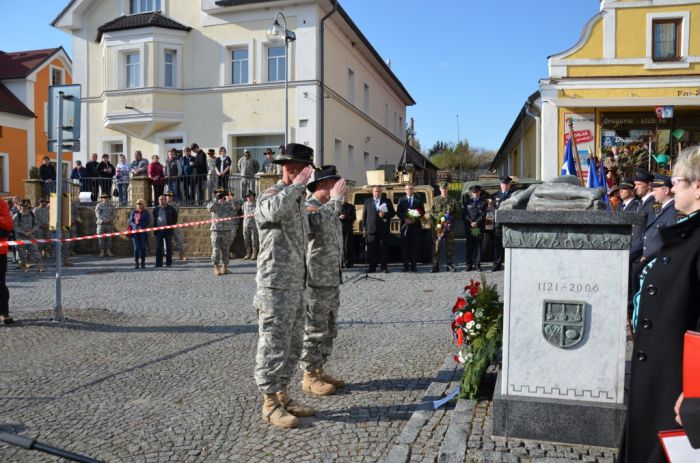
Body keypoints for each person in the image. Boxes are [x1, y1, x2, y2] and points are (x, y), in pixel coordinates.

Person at [617, 146, 700, 463]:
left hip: (677, 386)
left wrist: (696, 392)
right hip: (657, 377)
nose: (672, 186)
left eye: (678, 180)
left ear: (698, 186)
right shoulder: (686, 231)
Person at [254, 143, 315, 429]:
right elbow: (271, 213)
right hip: (274, 285)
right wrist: (294, 188)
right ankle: (269, 403)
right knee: (273, 344)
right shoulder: (273, 194)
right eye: (288, 167)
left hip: (296, 284)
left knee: (293, 345)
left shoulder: (300, 201)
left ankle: (283, 396)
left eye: (298, 167)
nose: (291, 171)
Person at [300, 166, 347, 396]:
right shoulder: (310, 206)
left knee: (329, 328)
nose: (338, 189)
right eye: (333, 184)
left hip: (330, 279)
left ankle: (319, 370)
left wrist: (335, 203)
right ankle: (309, 376)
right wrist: (335, 202)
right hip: (316, 281)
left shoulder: (329, 208)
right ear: (322, 186)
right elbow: (314, 225)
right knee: (314, 329)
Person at [640, 174, 677, 263]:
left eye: (655, 190)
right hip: (650, 260)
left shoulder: (673, 212)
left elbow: (670, 243)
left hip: (659, 261)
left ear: (666, 191)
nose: (653, 193)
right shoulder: (661, 209)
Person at [361, 185, 395, 273]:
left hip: (383, 229)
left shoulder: (387, 201)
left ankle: (384, 267)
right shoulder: (367, 201)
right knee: (372, 249)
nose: (377, 193)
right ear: (372, 192)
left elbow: (392, 213)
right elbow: (364, 215)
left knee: (383, 249)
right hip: (371, 229)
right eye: (376, 191)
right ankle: (372, 267)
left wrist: (385, 215)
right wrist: (364, 227)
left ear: (381, 192)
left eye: (379, 191)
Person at [430, 181, 460, 272]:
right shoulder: (435, 200)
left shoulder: (453, 200)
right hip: (439, 226)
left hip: (449, 227)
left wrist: (451, 217)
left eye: (446, 188)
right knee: (436, 247)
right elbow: (431, 212)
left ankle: (449, 265)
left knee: (449, 247)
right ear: (440, 189)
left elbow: (458, 212)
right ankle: (435, 266)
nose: (444, 190)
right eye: (443, 189)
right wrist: (439, 217)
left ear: (448, 189)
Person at [207, 188, 237, 275]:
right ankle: (216, 267)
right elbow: (209, 208)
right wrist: (216, 198)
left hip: (227, 230)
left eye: (222, 194)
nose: (221, 196)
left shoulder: (229, 204)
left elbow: (236, 208)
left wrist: (232, 199)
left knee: (226, 250)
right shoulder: (214, 204)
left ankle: (225, 267)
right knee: (216, 250)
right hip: (216, 230)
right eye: (219, 194)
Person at [396, 183, 423, 272]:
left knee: (414, 247)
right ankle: (405, 266)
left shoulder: (419, 200)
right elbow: (399, 212)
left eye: (411, 189)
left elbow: (422, 212)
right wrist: (405, 219)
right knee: (405, 247)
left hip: (415, 226)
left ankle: (414, 265)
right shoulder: (401, 199)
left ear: (413, 189)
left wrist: (415, 218)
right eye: (408, 189)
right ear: (405, 190)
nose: (409, 191)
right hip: (405, 226)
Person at [13, 199, 43, 272]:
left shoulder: (32, 214)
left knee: (36, 251)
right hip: (20, 236)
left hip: (30, 235)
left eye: (26, 206)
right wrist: (23, 232)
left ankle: (39, 266)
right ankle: (23, 266)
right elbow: (15, 227)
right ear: (20, 206)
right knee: (21, 254)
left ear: (28, 206)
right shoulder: (16, 216)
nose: (24, 207)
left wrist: (31, 231)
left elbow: (36, 225)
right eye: (23, 206)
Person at [463, 185, 487, 271]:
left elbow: (483, 214)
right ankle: (468, 264)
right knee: (469, 245)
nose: (475, 194)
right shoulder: (467, 202)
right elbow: (465, 214)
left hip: (477, 227)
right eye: (473, 193)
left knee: (477, 246)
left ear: (479, 192)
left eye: (477, 192)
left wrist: (476, 222)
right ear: (471, 193)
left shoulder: (483, 202)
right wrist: (471, 222)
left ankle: (477, 264)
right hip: (470, 226)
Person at [492, 176, 513, 272]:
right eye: (503, 184)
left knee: (510, 243)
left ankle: (510, 264)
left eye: (506, 184)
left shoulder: (513, 195)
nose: (504, 186)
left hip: (510, 224)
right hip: (499, 224)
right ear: (500, 185)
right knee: (497, 245)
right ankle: (497, 263)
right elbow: (493, 208)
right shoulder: (495, 195)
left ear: (509, 185)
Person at [153, 194, 178, 268]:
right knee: (158, 247)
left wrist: (171, 225)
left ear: (165, 200)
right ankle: (158, 263)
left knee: (169, 247)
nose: (161, 201)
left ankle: (168, 263)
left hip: (168, 230)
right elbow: (155, 218)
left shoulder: (171, 208)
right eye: (159, 199)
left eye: (162, 199)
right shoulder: (156, 209)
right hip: (159, 230)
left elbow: (175, 217)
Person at [0, 197, 13, 325]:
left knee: (0, 283)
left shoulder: (1, 204)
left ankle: (3, 313)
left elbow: (8, 225)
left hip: (0, 251)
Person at [129, 199, 150, 269]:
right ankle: (136, 262)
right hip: (135, 232)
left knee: (143, 248)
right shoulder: (134, 212)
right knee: (136, 248)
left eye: (140, 203)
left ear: (143, 205)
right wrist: (135, 226)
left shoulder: (146, 212)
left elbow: (147, 222)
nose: (139, 205)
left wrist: (141, 226)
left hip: (142, 232)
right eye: (138, 203)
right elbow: (131, 221)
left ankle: (143, 262)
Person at [165, 192, 186, 260]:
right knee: (166, 241)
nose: (169, 197)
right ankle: (168, 255)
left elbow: (176, 213)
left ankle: (182, 254)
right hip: (165, 225)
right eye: (168, 196)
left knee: (178, 239)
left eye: (171, 196)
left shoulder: (175, 205)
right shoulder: (163, 204)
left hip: (174, 224)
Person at [95, 193, 116, 257]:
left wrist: (109, 219)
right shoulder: (99, 205)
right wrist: (103, 219)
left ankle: (108, 251)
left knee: (109, 238)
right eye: (104, 197)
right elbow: (97, 213)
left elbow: (114, 214)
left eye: (107, 197)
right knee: (101, 238)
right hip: (101, 224)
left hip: (109, 224)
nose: (105, 198)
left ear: (109, 198)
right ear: (102, 198)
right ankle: (102, 251)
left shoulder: (112, 205)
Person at [339, 194, 356, 268]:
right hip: (339, 228)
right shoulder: (336, 206)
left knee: (347, 246)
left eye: (344, 198)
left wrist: (345, 217)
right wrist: (339, 217)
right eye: (342, 198)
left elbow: (353, 217)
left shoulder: (351, 207)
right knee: (340, 246)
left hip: (348, 228)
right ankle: (340, 263)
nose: (343, 200)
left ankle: (349, 262)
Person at [242, 190, 259, 260]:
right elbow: (243, 211)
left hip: (254, 224)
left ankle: (254, 253)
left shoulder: (257, 204)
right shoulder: (244, 204)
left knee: (254, 239)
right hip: (246, 224)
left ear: (253, 196)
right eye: (247, 196)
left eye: (250, 196)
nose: (249, 197)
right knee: (246, 239)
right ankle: (248, 253)